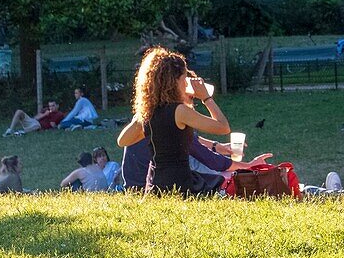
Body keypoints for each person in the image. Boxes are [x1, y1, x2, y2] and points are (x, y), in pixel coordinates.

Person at [116, 47, 231, 195]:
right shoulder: (180, 111)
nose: (186, 83)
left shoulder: (147, 113)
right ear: (173, 81)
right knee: (222, 185)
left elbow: (122, 141)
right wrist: (206, 98)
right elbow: (223, 127)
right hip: (180, 184)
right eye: (184, 78)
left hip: (153, 187)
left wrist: (142, 122)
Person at [120, 133, 271, 191]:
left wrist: (218, 146)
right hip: (150, 188)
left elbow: (191, 139)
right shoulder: (170, 115)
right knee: (220, 180)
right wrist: (249, 166)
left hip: (133, 186)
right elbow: (212, 161)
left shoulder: (151, 111)